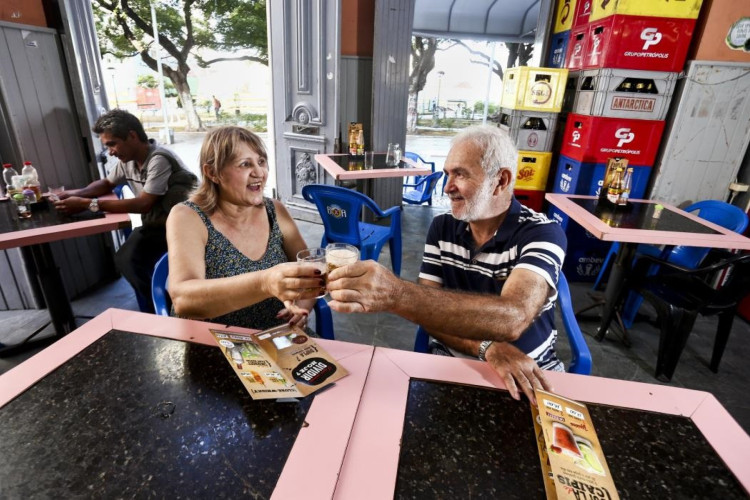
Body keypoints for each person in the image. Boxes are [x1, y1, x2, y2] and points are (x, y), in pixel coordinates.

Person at [327, 125, 567, 404]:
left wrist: (395, 294)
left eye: (460, 174)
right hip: (453, 366)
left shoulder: (542, 233)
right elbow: (427, 314)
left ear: (500, 181)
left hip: (531, 376)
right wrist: (487, 348)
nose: (447, 187)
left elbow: (514, 316)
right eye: (447, 174)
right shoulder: (442, 227)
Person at [166, 126, 321, 330]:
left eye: (261, 162)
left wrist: (300, 310)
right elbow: (183, 299)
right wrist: (265, 282)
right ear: (212, 172)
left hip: (280, 332)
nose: (259, 173)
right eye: (245, 164)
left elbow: (311, 272)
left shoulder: (275, 210)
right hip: (216, 340)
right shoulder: (188, 216)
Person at [54, 109, 197, 313]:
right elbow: (106, 183)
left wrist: (87, 204)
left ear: (132, 136)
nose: (111, 151)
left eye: (113, 143)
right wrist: (75, 195)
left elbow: (143, 204)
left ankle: (164, 310)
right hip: (159, 224)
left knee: (130, 259)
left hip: (184, 228)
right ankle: (161, 307)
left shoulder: (159, 159)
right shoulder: (128, 161)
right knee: (128, 259)